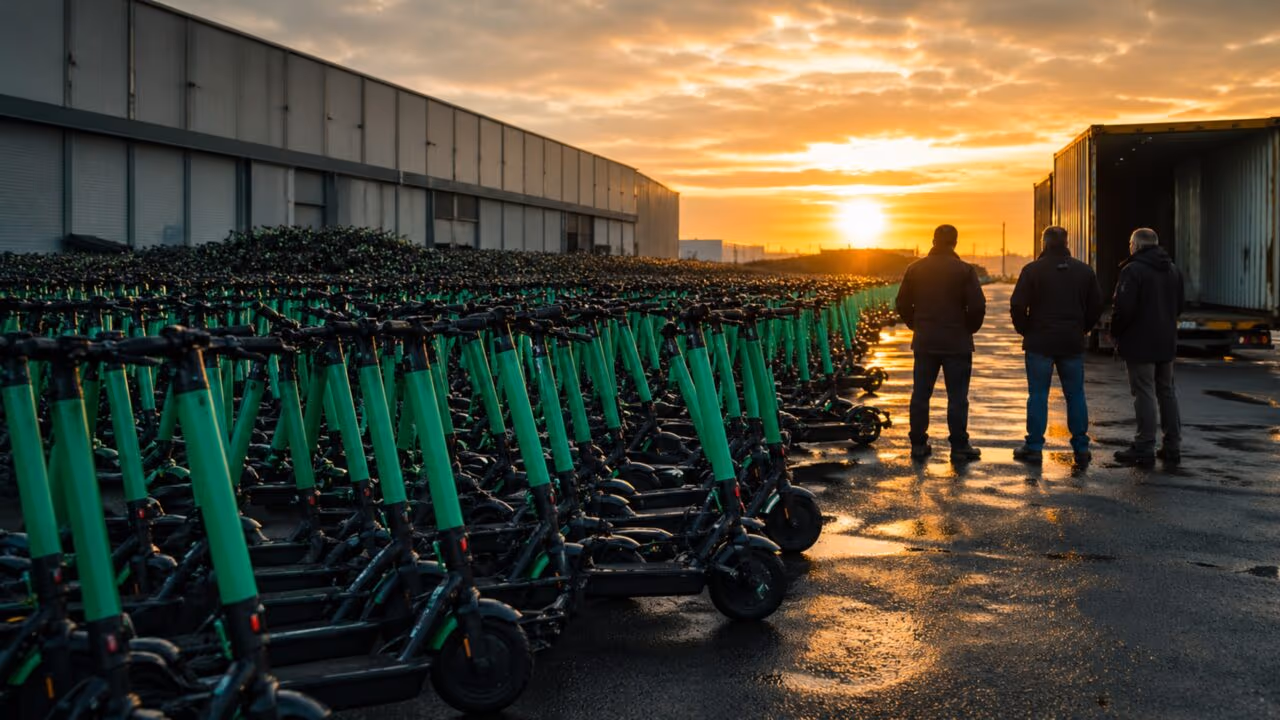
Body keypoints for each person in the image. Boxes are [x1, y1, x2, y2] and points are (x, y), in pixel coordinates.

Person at [1009, 226, 1103, 466]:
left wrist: (1026, 330)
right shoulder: (1084, 271)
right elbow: (1096, 306)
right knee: (1075, 394)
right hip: (1071, 341)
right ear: (1066, 243)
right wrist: (1082, 328)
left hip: (1039, 342)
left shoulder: (1032, 270)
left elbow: (1017, 305)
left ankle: (1034, 446)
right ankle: (1081, 447)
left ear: (1044, 243)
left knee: (1038, 395)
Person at [895, 224, 986, 462]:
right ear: (955, 242)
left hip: (925, 341)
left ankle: (918, 444)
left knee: (920, 395)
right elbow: (977, 306)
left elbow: (902, 303)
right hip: (957, 342)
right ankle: (959, 445)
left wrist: (917, 325)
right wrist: (967, 329)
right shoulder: (965, 270)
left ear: (933, 241)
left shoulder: (915, 269)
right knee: (957, 397)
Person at [1110, 227, 1185, 466]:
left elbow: (1123, 309)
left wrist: (1115, 332)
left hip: (1140, 343)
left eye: (1130, 244)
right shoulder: (1172, 270)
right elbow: (1179, 306)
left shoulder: (1132, 270)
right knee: (1167, 391)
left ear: (1137, 245)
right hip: (1166, 341)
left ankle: (1144, 445)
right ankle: (1172, 446)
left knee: (1144, 392)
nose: (1129, 248)